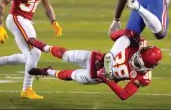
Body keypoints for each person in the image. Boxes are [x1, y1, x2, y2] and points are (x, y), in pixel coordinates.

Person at [28, 29, 162, 101]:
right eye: (137, 57)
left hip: (97, 76)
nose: (135, 61)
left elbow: (124, 95)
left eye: (139, 63)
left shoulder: (143, 78)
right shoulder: (138, 43)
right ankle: (43, 46)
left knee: (71, 75)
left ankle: (47, 72)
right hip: (97, 59)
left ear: (148, 68)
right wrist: (126, 33)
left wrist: (107, 80)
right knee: (66, 55)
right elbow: (114, 36)